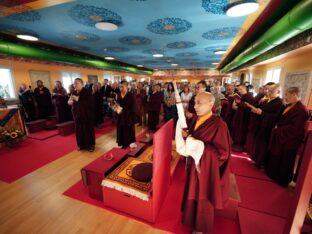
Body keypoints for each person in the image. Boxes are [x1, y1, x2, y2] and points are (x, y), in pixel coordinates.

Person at [176, 92, 231, 233]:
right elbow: (194, 138)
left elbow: (222, 153)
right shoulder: (196, 119)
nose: (196, 106)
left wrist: (192, 141)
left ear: (211, 105)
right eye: (195, 103)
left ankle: (201, 227)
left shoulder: (219, 124)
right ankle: (190, 219)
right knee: (192, 193)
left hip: (205, 169)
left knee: (202, 197)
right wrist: (188, 137)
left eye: (199, 103)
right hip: (194, 166)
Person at [265, 87, 309, 186]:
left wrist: (277, 130)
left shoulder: (301, 110)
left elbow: (295, 129)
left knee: (286, 160)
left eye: (287, 95)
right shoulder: (290, 106)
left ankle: (282, 180)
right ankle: (274, 175)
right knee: (278, 158)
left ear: (294, 95)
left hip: (290, 140)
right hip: (282, 137)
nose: (285, 97)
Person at [247, 84, 284, 167]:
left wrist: (262, 113)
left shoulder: (280, 103)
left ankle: (261, 163)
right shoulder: (267, 100)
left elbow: (276, 118)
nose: (269, 92)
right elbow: (261, 109)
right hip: (261, 125)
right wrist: (255, 110)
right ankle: (256, 159)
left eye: (271, 91)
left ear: (278, 92)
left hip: (268, 128)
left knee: (263, 146)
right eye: (268, 90)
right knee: (258, 144)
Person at [68, 78, 95, 152]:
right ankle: (81, 145)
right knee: (79, 131)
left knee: (87, 131)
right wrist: (70, 102)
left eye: (77, 83)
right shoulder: (73, 92)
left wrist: (78, 99)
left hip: (86, 115)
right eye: (74, 83)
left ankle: (90, 145)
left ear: (82, 84)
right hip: (77, 114)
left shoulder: (87, 92)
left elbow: (91, 104)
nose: (75, 85)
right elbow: (69, 101)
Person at [231, 85, 254, 150]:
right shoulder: (243, 96)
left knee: (241, 131)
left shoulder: (249, 97)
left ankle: (240, 145)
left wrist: (240, 102)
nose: (239, 91)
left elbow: (249, 107)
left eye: (241, 89)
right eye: (238, 89)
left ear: (245, 89)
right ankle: (236, 144)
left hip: (244, 118)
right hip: (240, 117)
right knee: (237, 130)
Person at [114, 80, 136, 148]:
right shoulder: (118, 94)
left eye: (122, 87)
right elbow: (117, 104)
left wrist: (124, 111)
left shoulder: (130, 95)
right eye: (120, 87)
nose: (120, 88)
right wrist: (116, 108)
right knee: (121, 130)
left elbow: (133, 107)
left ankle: (128, 143)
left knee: (128, 131)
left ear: (126, 86)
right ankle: (122, 143)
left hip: (128, 117)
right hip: (120, 116)